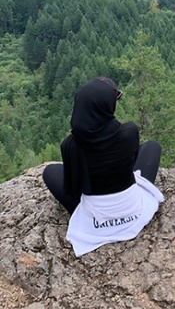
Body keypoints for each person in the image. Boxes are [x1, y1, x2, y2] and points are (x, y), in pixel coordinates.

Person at [43, 76, 163, 257]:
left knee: (50, 172)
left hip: (96, 220)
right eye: (115, 98)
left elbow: (73, 188)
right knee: (152, 147)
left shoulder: (70, 146)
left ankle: (96, 217)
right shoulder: (129, 133)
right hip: (132, 209)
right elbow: (128, 162)